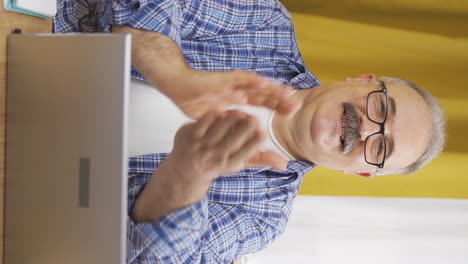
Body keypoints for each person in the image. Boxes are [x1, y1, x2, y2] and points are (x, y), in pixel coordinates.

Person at [53, 0, 446, 263]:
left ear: (361, 172)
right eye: (381, 106)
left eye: (381, 148)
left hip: (33, 178)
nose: (366, 128)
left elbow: (155, 259)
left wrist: (190, 171)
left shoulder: (262, 216)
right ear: (362, 79)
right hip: (30, 36)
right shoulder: (266, 24)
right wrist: (174, 76)